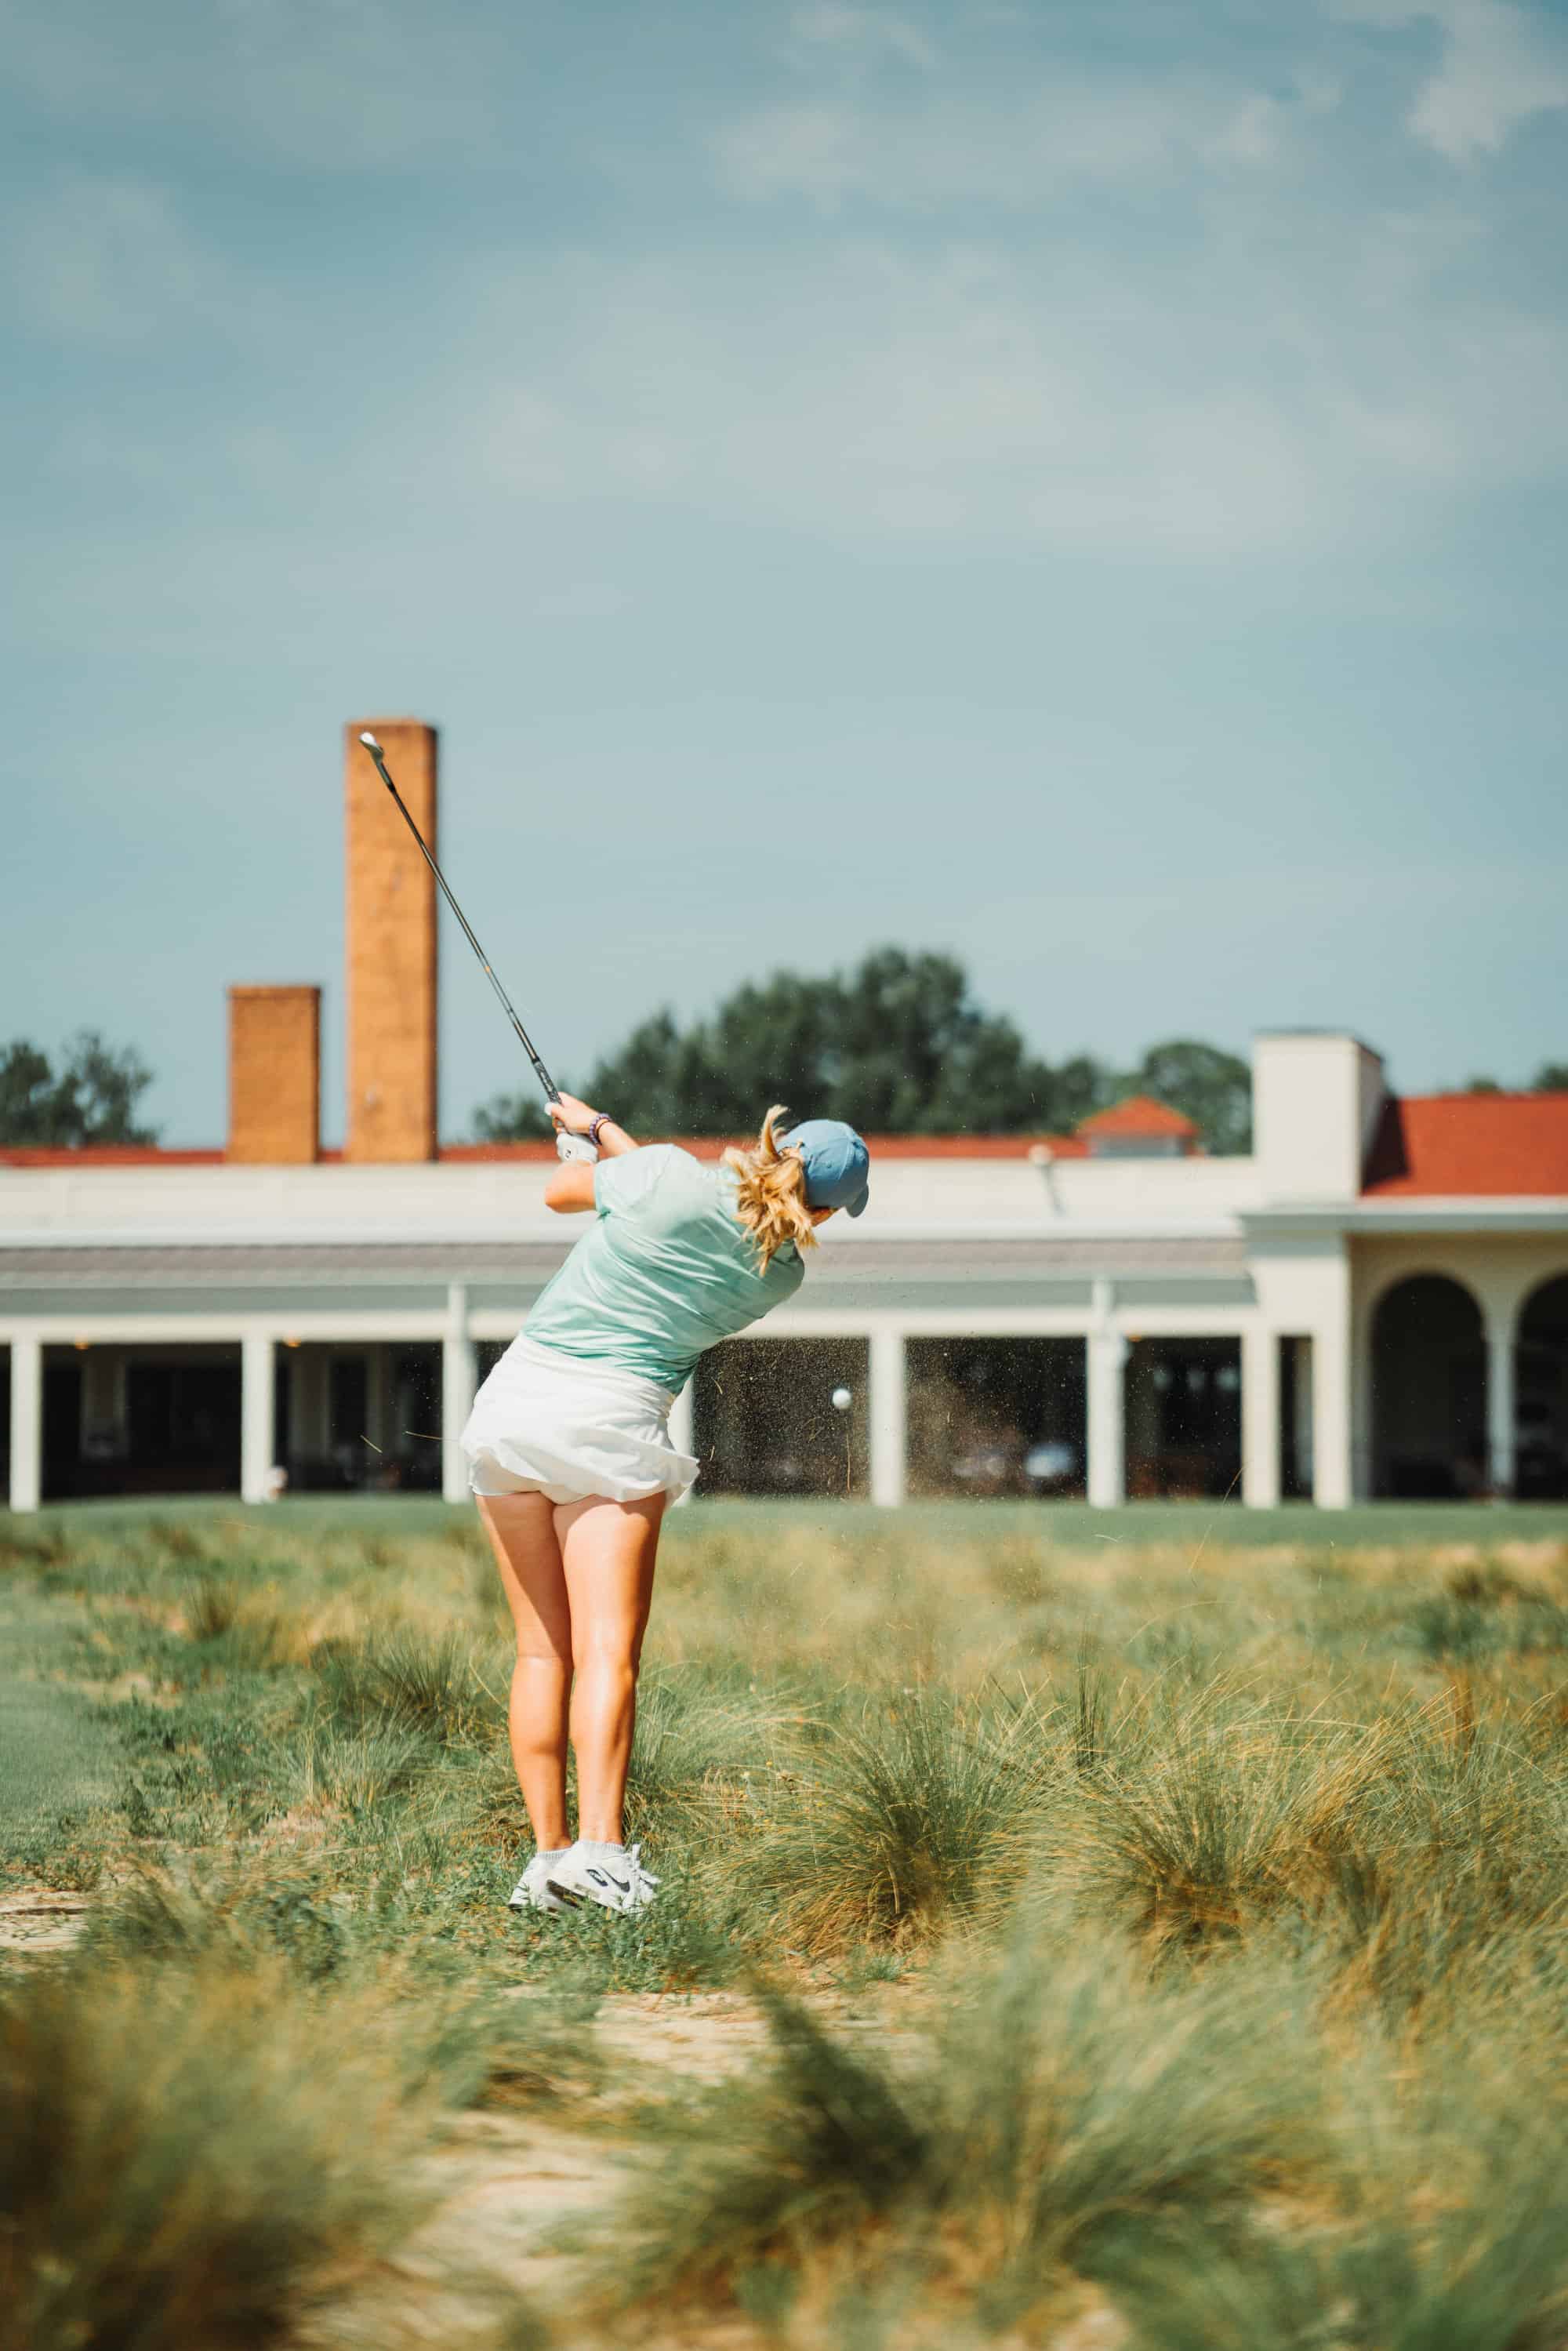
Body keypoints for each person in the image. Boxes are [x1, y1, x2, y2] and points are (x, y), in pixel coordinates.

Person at [463, 1096, 871, 1917]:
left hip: (510, 1409)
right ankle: (601, 1858)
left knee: (542, 1654)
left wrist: (589, 1147)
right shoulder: (777, 1273)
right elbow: (670, 1197)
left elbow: (570, 1193)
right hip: (609, 1426)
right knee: (606, 1656)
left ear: (771, 1145)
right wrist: (606, 1134)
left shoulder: (666, 1176)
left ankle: (546, 1863)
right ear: (823, 1207)